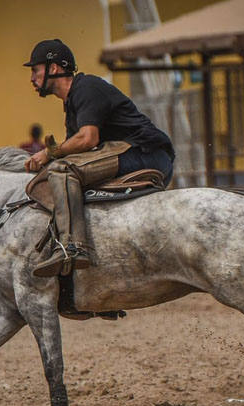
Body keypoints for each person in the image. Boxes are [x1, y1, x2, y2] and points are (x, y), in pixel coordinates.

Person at [23, 39, 174, 277]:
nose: (31, 78)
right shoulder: (72, 105)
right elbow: (77, 148)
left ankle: (72, 247)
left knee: (62, 171)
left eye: (35, 70)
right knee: (59, 170)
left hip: (146, 153)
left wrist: (49, 153)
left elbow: (88, 139)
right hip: (136, 153)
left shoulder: (86, 88)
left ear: (53, 69)